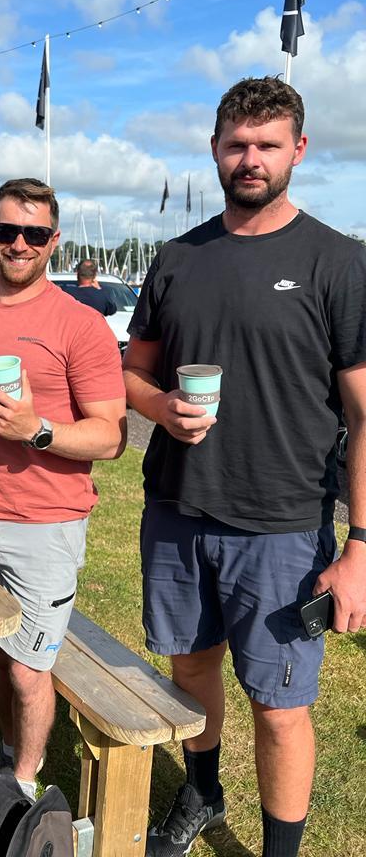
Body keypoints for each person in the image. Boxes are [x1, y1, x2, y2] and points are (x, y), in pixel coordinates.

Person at [122, 76, 366, 857]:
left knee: (280, 706)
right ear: (215, 149)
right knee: (191, 670)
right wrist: (159, 409)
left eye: (267, 145)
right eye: (236, 145)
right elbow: (132, 372)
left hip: (283, 527)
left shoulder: (339, 261)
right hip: (177, 510)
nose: (250, 159)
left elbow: (365, 418)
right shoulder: (175, 258)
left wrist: (361, 546)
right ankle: (201, 791)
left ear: (299, 149)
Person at [0, 177, 127, 800]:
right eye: (8, 231)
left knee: (31, 671)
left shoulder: (80, 324)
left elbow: (111, 437)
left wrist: (37, 431)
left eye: (34, 234)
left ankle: (24, 787)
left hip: (46, 526)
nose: (20, 244)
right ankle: (8, 749)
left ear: (54, 242)